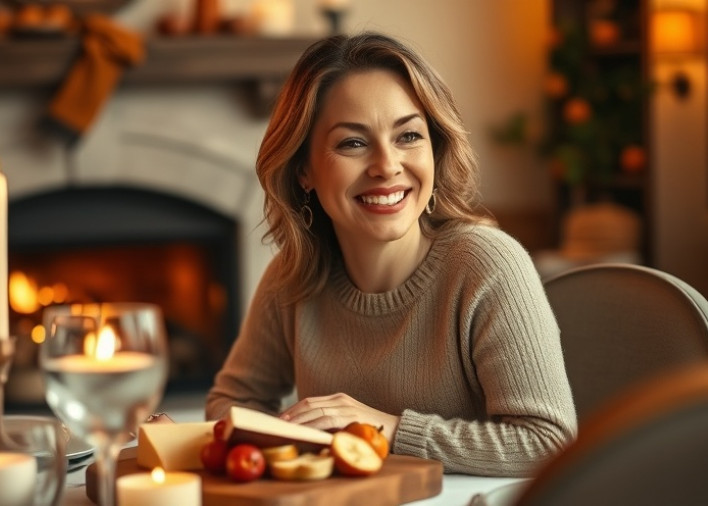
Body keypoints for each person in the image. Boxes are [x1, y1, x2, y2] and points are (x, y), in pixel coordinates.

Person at [204, 32, 577, 477]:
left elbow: (548, 443)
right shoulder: (293, 276)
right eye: (353, 143)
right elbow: (231, 402)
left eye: (409, 136)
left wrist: (386, 429)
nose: (386, 165)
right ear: (304, 169)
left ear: (435, 150)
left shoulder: (487, 264)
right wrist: (288, 439)